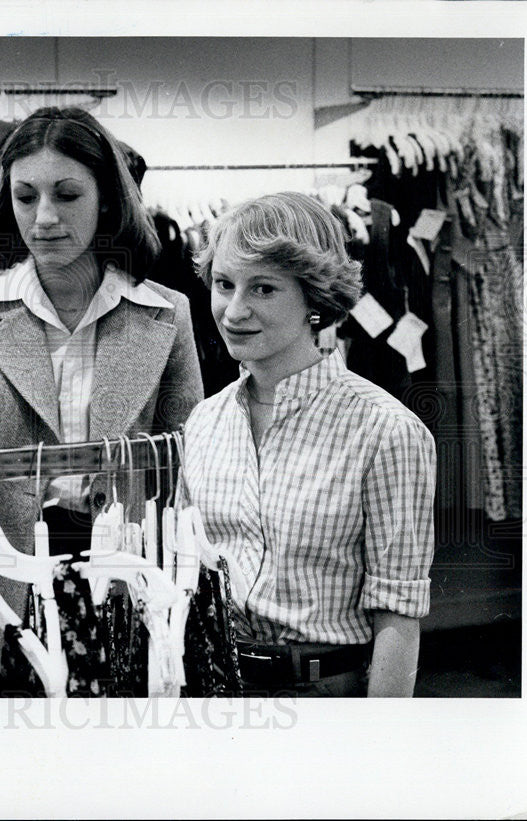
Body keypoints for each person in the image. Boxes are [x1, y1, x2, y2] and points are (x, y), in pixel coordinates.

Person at [0, 107, 204, 653]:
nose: (44, 217)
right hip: (3, 579)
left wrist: (178, 595)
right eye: (26, 197)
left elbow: (181, 476)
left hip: (132, 578)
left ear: (108, 199)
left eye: (67, 195)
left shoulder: (167, 315)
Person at [181, 192, 436, 697]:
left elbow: (398, 618)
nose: (234, 310)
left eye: (264, 289)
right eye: (224, 284)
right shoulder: (204, 422)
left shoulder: (386, 430)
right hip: (217, 689)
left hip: (323, 695)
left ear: (315, 301)